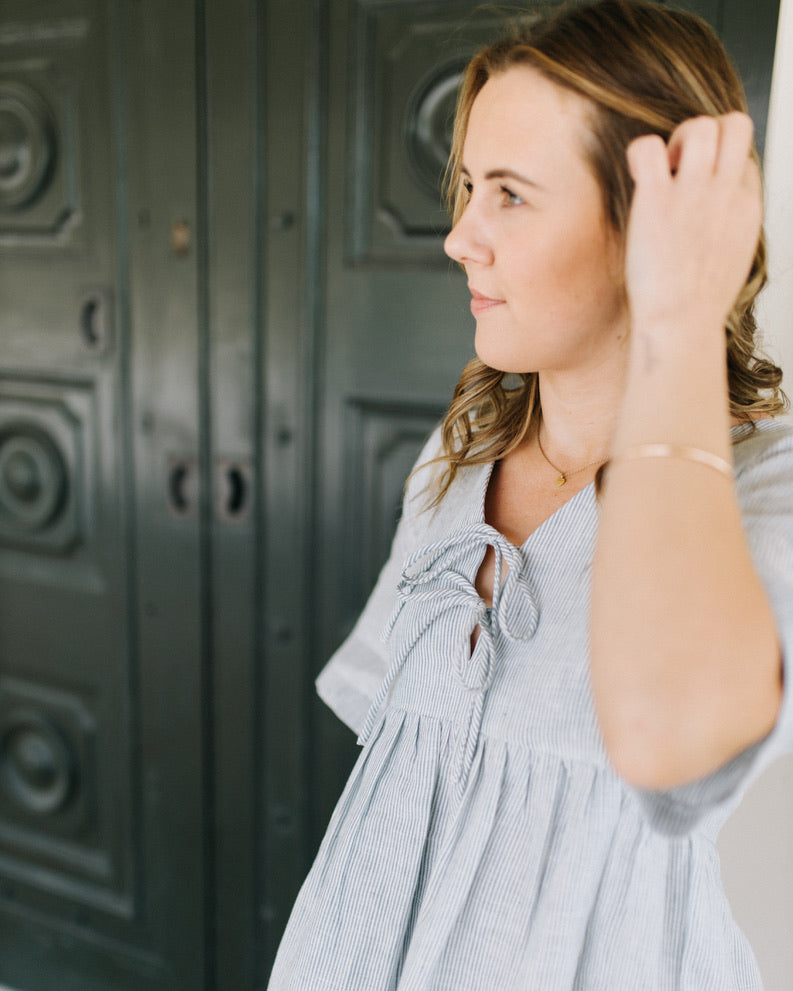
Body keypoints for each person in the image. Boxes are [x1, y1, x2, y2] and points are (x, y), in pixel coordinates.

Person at [269, 1, 793, 987]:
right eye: (467, 187)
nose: (459, 237)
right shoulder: (461, 451)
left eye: (508, 194)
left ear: (651, 221)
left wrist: (675, 321)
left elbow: (671, 749)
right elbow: (397, 771)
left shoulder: (766, 487)